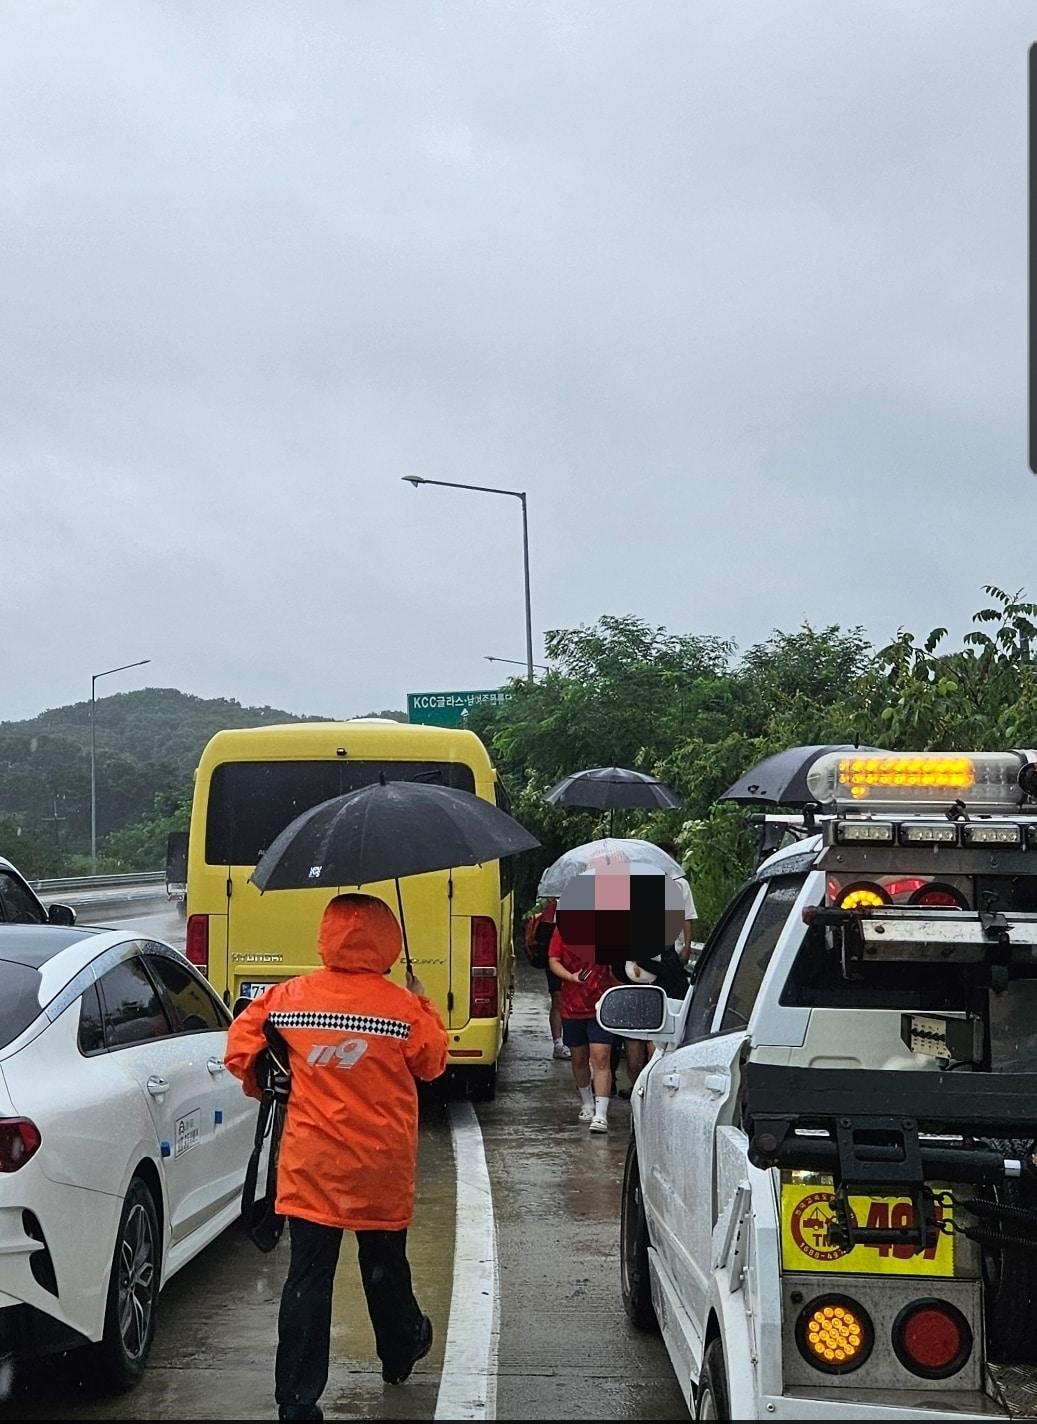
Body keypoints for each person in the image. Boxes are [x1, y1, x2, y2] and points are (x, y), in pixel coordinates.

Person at [225, 893, 448, 1422]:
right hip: (380, 1165)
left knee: (308, 1278)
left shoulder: (289, 997)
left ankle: (297, 1401)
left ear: (325, 937)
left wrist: (277, 1081)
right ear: (387, 941)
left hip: (311, 1166)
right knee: (385, 1267)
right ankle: (399, 1352)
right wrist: (423, 1002)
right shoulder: (400, 1007)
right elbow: (434, 1063)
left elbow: (240, 1050)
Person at [547, 920, 618, 1133]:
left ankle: (601, 1113)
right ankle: (587, 1102)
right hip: (573, 1006)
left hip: (601, 1005)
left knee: (601, 1056)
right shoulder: (563, 929)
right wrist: (570, 977)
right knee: (579, 1058)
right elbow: (553, 960)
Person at [523, 896, 570, 1059]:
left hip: (578, 959)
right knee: (558, 998)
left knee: (572, 999)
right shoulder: (550, 907)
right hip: (555, 958)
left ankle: (572, 1041)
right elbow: (540, 935)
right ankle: (559, 1043)